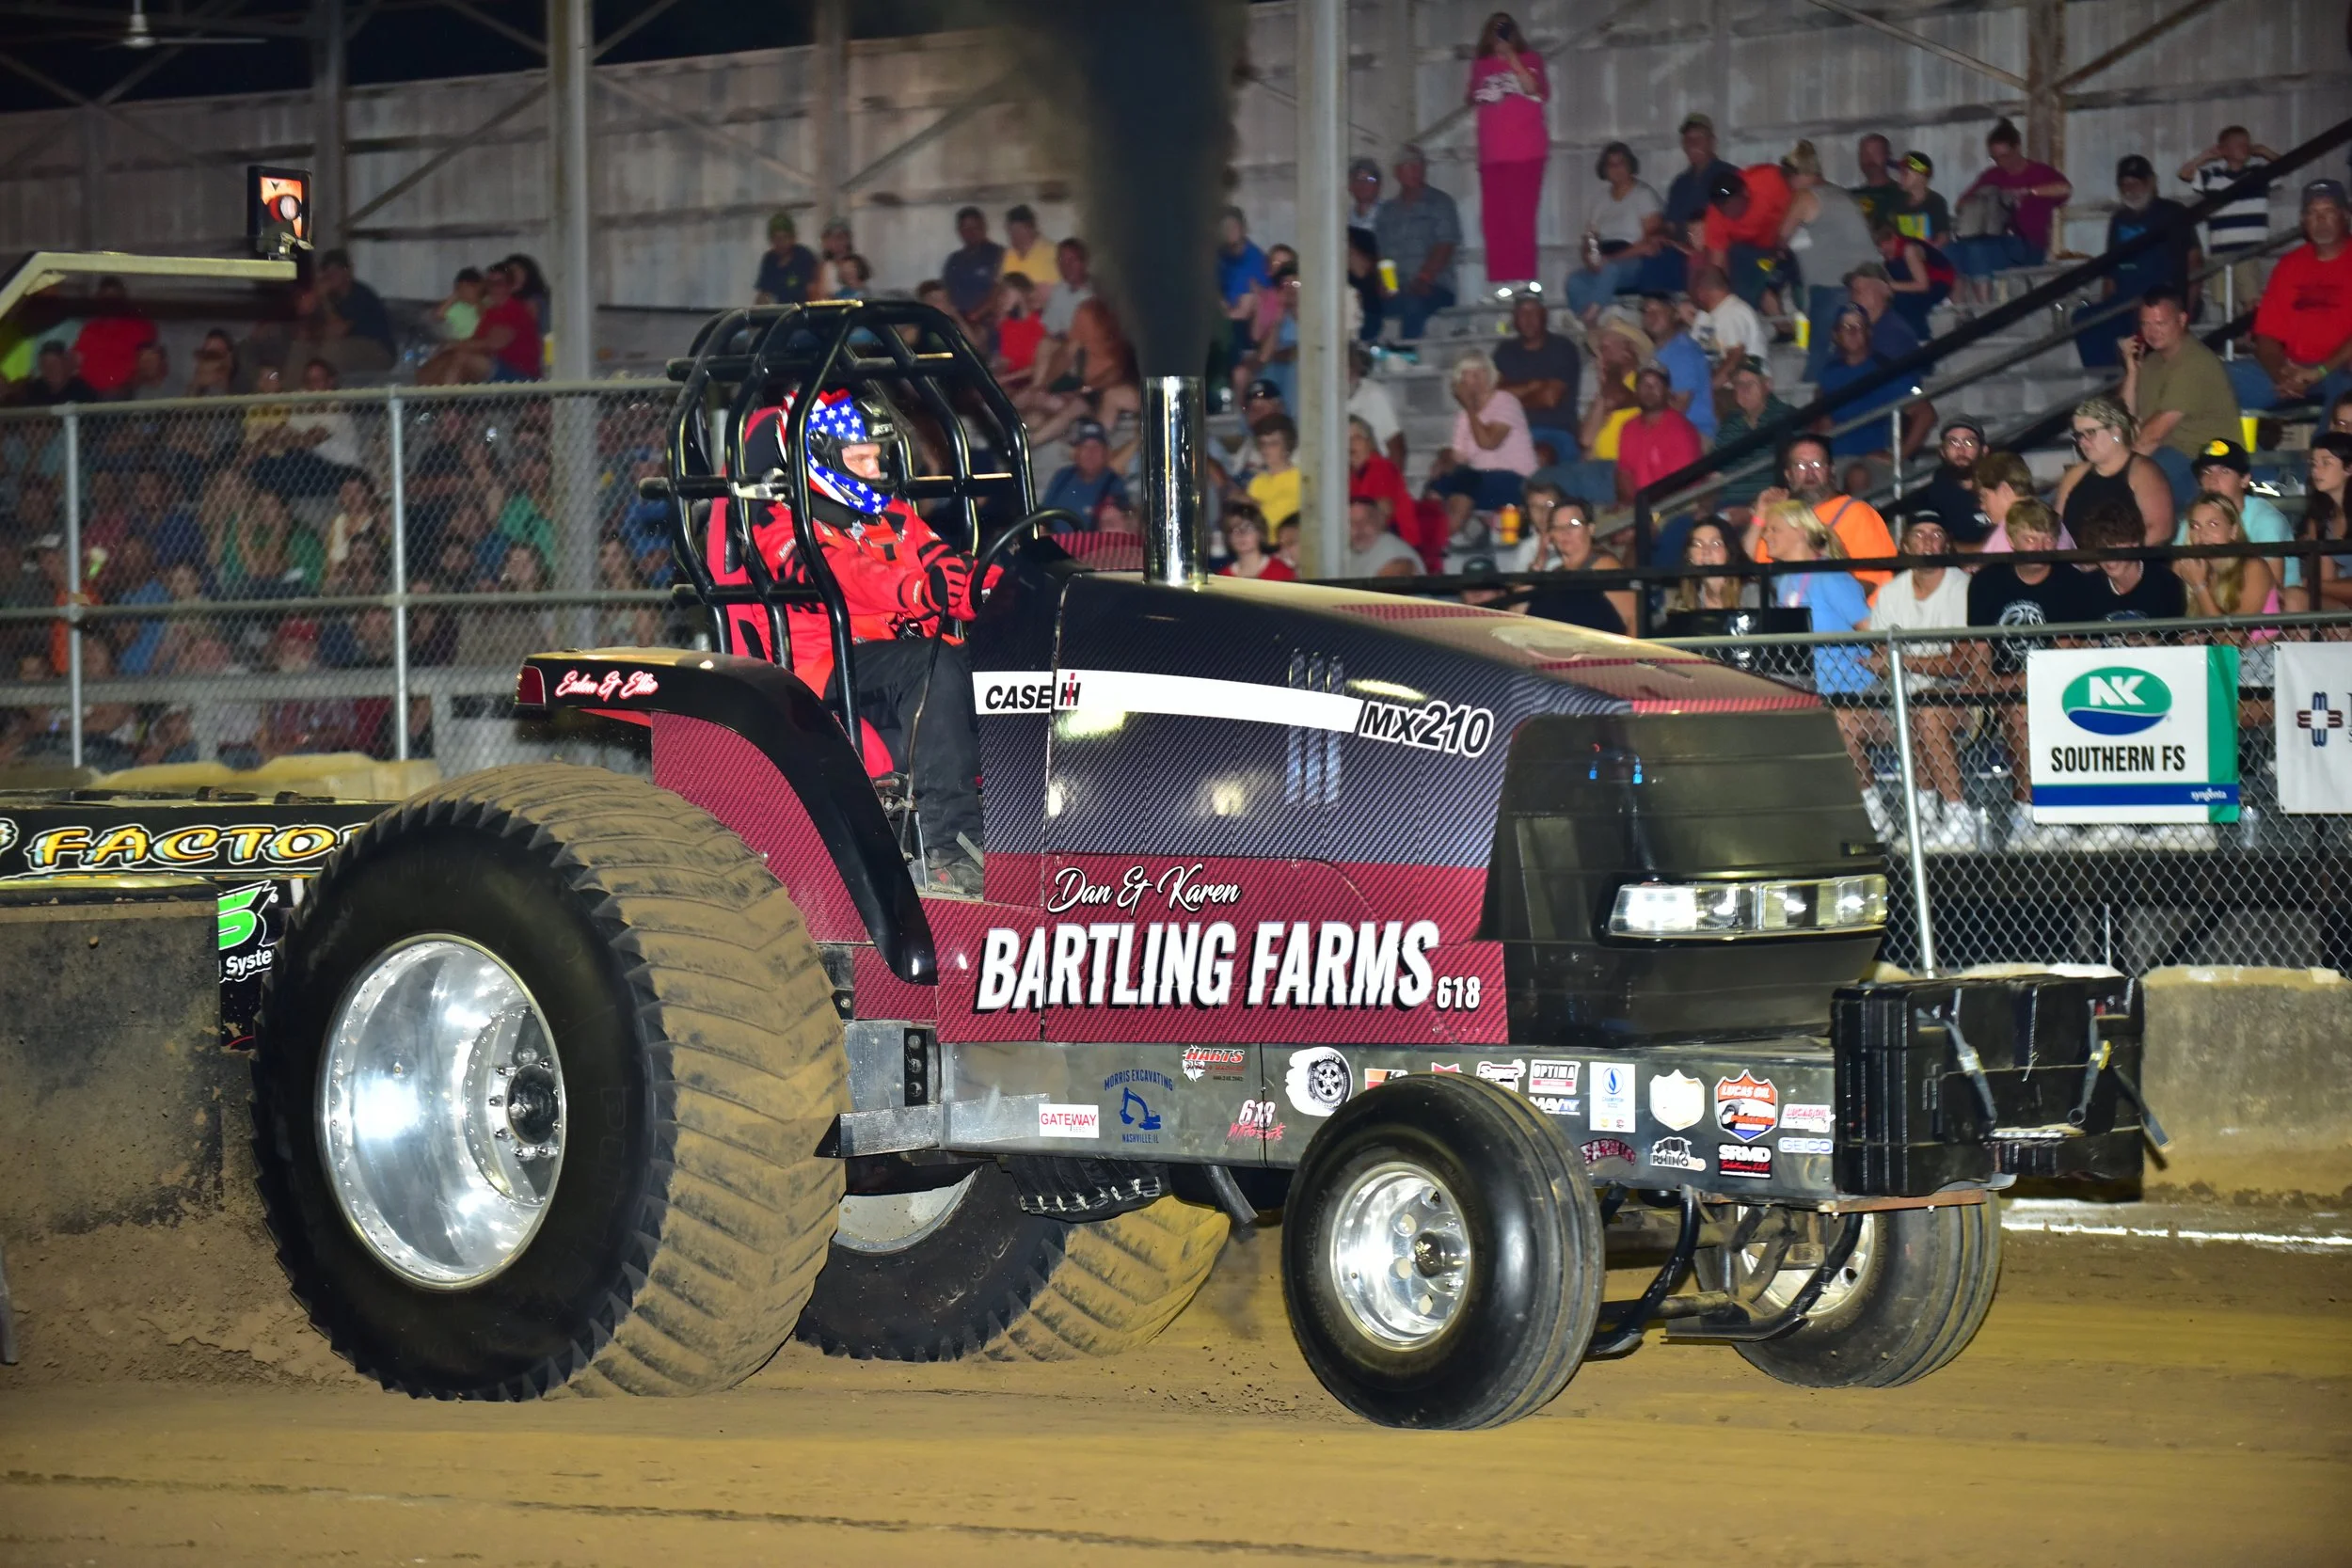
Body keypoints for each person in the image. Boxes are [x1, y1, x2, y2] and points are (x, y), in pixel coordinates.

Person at [732, 391, 986, 895]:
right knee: (932, 666)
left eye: (877, 456)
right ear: (820, 461)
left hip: (892, 659)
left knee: (1005, 658)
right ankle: (948, 852)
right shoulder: (784, 525)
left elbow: (946, 564)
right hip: (820, 670)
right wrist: (916, 590)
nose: (874, 469)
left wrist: (994, 587)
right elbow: (842, 572)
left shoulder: (894, 517)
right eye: (860, 459)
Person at [1844, 513, 1976, 848]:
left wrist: (1902, 660)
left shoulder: (1964, 587)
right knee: (1842, 719)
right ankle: (1880, 819)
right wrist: (1893, 663)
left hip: (1961, 695)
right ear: (1906, 543)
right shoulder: (1891, 592)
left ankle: (1960, 820)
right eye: (1920, 535)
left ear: (1946, 543)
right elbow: (1878, 652)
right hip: (1901, 691)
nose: (1928, 542)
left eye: (1936, 535)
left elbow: (1962, 662)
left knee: (1925, 710)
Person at [1965, 498, 2086, 847]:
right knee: (2019, 709)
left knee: (2023, 708)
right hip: (1999, 689)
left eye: (2048, 538)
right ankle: (2028, 811)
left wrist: (2011, 683)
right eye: (2031, 539)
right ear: (2013, 541)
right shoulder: (1987, 581)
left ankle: (2037, 809)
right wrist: (1991, 684)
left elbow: (2065, 657)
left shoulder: (2070, 581)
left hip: (2060, 687)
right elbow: (1979, 653)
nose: (2041, 546)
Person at [2232, 180, 2352, 414]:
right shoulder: (2289, 265)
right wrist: (2281, 373)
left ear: (2345, 215)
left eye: (2328, 211)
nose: (2320, 220)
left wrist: (2320, 372)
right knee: (2217, 377)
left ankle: (2328, 448)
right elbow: (2266, 335)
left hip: (2338, 369)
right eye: (2312, 213)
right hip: (2293, 368)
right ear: (2303, 221)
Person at [2120, 285, 2240, 503]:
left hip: (2202, 460)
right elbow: (2125, 419)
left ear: (2182, 320)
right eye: (2146, 324)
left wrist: (2114, 467)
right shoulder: (2153, 362)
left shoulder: (2194, 362)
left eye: (2160, 323)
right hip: (2168, 453)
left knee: (2128, 484)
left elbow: (2153, 434)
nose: (2152, 331)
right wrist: (2132, 372)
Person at [2076, 156, 2198, 370]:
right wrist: (2108, 303)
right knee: (2084, 318)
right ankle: (2108, 378)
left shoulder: (2172, 212)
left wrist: (2187, 308)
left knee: (2146, 320)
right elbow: (2111, 271)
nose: (2130, 188)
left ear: (2151, 182)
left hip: (2158, 300)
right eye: (2125, 184)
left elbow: (2194, 260)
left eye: (2136, 182)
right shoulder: (2118, 220)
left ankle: (2129, 377)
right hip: (2124, 300)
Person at [1751, 433, 1899, 593]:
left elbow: (1869, 582)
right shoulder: (1781, 516)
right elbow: (1751, 569)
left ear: (1831, 470)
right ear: (1788, 475)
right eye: (1800, 466)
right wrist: (1760, 515)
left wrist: (1816, 600)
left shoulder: (1857, 513)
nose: (1810, 473)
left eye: (1817, 464)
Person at [1782, 140, 1881, 380]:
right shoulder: (1840, 194)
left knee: (1819, 358)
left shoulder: (1806, 196)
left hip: (1832, 287)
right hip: (1866, 285)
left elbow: (1781, 236)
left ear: (1797, 174)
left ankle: (1807, 411)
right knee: (1851, 356)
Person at [1466, 11, 1550, 292]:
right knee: (1494, 220)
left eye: (1506, 30)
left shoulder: (1530, 61)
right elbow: (1472, 98)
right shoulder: (1481, 65)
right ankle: (1502, 282)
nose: (1500, 36)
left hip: (1526, 151)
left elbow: (1535, 90)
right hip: (1492, 155)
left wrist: (1511, 59)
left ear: (1515, 34)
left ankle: (1525, 278)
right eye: (1495, 31)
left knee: (1521, 216)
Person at [1758, 498, 1873, 697]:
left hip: (1853, 696)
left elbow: (1872, 630)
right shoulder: (1784, 582)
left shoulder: (1831, 577)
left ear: (1801, 531)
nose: (1765, 536)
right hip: (1809, 693)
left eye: (1773, 529)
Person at [1951, 118, 2071, 300]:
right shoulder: (1992, 176)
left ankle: (1984, 311)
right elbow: (1961, 204)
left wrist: (2028, 192)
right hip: (1993, 240)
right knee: (1951, 252)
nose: (2001, 162)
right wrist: (1986, 199)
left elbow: (2065, 189)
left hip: (2028, 246)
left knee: (1977, 250)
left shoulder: (2039, 172)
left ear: (2017, 148)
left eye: (2005, 156)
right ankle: (1958, 313)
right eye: (1995, 158)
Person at [2178, 439, 2300, 607]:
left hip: (2270, 614)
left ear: (2244, 480)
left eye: (2224, 471)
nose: (2212, 480)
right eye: (2206, 472)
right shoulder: (2194, 519)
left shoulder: (2266, 520)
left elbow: (2273, 590)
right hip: (2214, 602)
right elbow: (2177, 575)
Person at [1428, 350, 1537, 536]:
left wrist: (1470, 407)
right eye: (1468, 374)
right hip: (1482, 479)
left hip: (1516, 479)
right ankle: (1434, 540)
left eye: (1481, 372)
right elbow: (1459, 457)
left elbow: (1488, 442)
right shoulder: (1464, 416)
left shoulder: (1505, 401)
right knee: (1437, 487)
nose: (1476, 379)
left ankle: (1440, 540)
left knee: (1467, 483)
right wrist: (1444, 460)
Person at [2178, 125, 2280, 322]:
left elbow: (2287, 165)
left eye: (2246, 143)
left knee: (2252, 301)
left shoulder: (2258, 174)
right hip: (2221, 252)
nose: (2244, 147)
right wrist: (2206, 156)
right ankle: (2232, 343)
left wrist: (2264, 151)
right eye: (2237, 144)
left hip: (2248, 250)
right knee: (2226, 304)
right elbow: (2184, 173)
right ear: (2224, 150)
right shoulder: (2213, 176)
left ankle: (2249, 340)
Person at [1814, 304, 1932, 467]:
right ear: (1836, 335)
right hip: (1834, 461)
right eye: (1846, 327)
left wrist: (1898, 457)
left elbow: (1926, 414)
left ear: (1868, 332)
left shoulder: (1887, 371)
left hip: (1871, 462)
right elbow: (1820, 422)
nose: (1852, 332)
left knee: (1857, 477)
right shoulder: (1828, 373)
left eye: (1858, 326)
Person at [2056, 393, 2174, 546]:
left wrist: (2114, 558)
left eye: (2091, 433)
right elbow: (2058, 530)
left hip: (2128, 563)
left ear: (2116, 431)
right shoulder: (2074, 476)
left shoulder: (2143, 473)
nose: (2083, 442)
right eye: (2079, 435)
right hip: (2078, 564)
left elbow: (2160, 531)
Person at [1566, 141, 1664, 321]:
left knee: (1610, 270)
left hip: (1633, 261)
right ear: (1604, 169)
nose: (1616, 168)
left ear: (1630, 165)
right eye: (1611, 164)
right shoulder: (1600, 200)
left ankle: (1590, 317)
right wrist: (1590, 260)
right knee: (1574, 280)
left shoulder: (1644, 195)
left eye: (1621, 163)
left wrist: (1612, 259)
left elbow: (1652, 244)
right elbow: (1589, 239)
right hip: (1604, 259)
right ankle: (1592, 327)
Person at [1375, 145, 1464, 341]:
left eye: (1419, 165)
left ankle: (1407, 359)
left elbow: (1445, 245)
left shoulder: (1441, 203)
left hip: (1436, 287)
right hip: (1399, 288)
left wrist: (1424, 278)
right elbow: (1384, 253)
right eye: (1409, 166)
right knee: (1365, 307)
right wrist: (1388, 285)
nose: (1416, 171)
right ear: (1397, 172)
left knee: (1412, 305)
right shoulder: (1388, 211)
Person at [1520, 489, 1634, 634]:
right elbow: (1517, 612)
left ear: (1590, 529)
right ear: (1551, 535)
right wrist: (1539, 563)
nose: (1565, 532)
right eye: (1557, 527)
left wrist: (1630, 657)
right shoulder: (1554, 574)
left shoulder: (1603, 567)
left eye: (1573, 524)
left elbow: (1633, 618)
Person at [1650, 112, 1740, 295]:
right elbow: (1670, 225)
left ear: (1712, 142)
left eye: (1699, 138)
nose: (1693, 145)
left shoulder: (1727, 176)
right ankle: (1663, 312)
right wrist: (1659, 236)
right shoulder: (1680, 184)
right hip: (1684, 249)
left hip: (1718, 248)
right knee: (1655, 259)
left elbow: (1737, 212)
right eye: (1688, 139)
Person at [1492, 297, 1581, 460]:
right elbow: (1495, 395)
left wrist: (1513, 395)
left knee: (1539, 455)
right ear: (1515, 319)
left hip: (1555, 431)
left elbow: (1549, 399)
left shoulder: (1562, 348)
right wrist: (1532, 387)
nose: (1528, 319)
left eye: (1534, 312)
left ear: (1544, 315)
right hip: (1510, 431)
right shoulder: (1504, 351)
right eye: (1522, 313)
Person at [1710, 356, 1795, 525]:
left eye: (1751, 383)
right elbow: (1714, 477)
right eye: (1738, 384)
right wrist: (1705, 506)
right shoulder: (1730, 425)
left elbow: (1794, 479)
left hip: (1770, 508)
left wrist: (1751, 511)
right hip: (1727, 506)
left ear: (1767, 385)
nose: (1744, 390)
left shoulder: (1788, 418)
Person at [2177, 489, 2278, 624]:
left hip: (2258, 645)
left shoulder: (2254, 568)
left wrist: (2199, 586)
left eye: (2213, 524)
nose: (2202, 533)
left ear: (2233, 531)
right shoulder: (2191, 570)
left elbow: (2231, 639)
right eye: (2195, 526)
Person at [2074, 501, 2186, 621]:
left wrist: (2152, 640)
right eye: (2101, 547)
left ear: (2135, 542)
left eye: (2116, 546)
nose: (2109, 557)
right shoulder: (2087, 587)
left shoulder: (2165, 583)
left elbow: (2175, 636)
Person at [1704, 163, 1793, 310]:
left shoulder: (1769, 181)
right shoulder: (1715, 217)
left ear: (1745, 192)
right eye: (1722, 206)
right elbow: (1716, 265)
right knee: (1738, 259)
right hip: (1754, 256)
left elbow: (1801, 200)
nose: (1728, 210)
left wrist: (1782, 243)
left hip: (1788, 239)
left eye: (1731, 203)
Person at [1346, 416, 1430, 569]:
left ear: (1370, 443)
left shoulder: (1380, 468)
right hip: (1366, 542)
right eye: (1346, 439)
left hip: (1395, 546)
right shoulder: (1349, 476)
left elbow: (1382, 515)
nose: (1351, 444)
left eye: (1357, 437)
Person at [1893, 418, 1992, 546]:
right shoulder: (1930, 496)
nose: (1961, 451)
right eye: (1953, 443)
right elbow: (1928, 545)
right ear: (1942, 452)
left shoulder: (1999, 489)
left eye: (1968, 443)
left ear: (1984, 451)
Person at [1614, 365, 1704, 507]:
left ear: (1668, 392)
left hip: (1675, 508)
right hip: (1638, 507)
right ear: (1636, 391)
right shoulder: (1629, 427)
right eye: (1644, 384)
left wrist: (1647, 515)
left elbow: (1681, 488)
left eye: (1656, 384)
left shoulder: (1680, 430)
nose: (1649, 389)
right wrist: (1634, 508)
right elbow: (1624, 474)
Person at [1640, 293, 1716, 440]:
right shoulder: (1658, 351)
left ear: (1674, 315)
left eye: (1658, 311)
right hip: (1673, 431)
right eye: (1647, 311)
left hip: (1693, 432)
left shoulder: (1683, 351)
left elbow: (1679, 407)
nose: (1651, 316)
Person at [309, 249, 396, 373]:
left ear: (348, 271)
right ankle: (291, 391)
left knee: (331, 351)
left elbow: (338, 331)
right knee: (302, 347)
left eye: (336, 269)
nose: (331, 275)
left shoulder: (360, 295)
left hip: (379, 349)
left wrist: (323, 299)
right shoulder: (333, 297)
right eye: (327, 270)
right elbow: (315, 332)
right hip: (349, 346)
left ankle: (328, 390)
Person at [1684, 264, 1768, 392]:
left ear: (1701, 292)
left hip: (1742, 390)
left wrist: (1707, 391)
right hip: (1719, 389)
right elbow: (1708, 354)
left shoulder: (1733, 312)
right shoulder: (1706, 316)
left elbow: (1735, 357)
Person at [72, 277, 156, 397]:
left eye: (114, 297)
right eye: (105, 297)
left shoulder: (140, 327)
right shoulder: (90, 328)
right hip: (90, 396)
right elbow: (76, 361)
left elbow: (148, 367)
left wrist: (125, 388)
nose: (110, 302)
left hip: (126, 395)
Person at [2299, 432, 2352, 611]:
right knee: (2295, 597)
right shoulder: (2320, 519)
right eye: (2313, 464)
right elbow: (2325, 580)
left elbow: (2320, 584)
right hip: (2342, 604)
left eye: (2326, 463)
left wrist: (2313, 584)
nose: (2316, 470)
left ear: (2349, 468)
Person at [1875, 220, 1954, 341]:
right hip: (1912, 286)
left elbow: (1923, 285)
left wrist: (1890, 286)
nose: (1882, 250)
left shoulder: (1909, 249)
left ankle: (1922, 338)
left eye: (1884, 244)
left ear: (1893, 238)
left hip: (1938, 282)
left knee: (1905, 301)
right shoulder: (1887, 256)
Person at [1038, 420, 1127, 523]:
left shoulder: (1113, 483)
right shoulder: (1063, 476)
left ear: (1106, 453)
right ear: (1076, 453)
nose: (1091, 453)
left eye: (1096, 447)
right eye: (1085, 447)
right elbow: (1043, 518)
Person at [1665, 515, 1760, 613]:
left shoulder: (1751, 593)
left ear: (1729, 551)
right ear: (1689, 555)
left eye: (1715, 544)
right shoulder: (1682, 599)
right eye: (1698, 545)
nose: (1706, 551)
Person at [1216, 207, 1272, 363]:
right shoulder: (1219, 258)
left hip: (1247, 328)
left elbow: (1251, 304)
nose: (1229, 231)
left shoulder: (1257, 259)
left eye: (1233, 227)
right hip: (1224, 322)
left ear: (1243, 228)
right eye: (1224, 228)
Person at [1346, 342, 1406, 471]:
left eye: (1351, 366)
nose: (1347, 372)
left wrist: (1390, 485)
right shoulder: (1322, 400)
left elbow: (1396, 446)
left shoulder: (1375, 394)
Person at [942, 207, 1005, 330]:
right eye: (965, 228)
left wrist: (974, 316)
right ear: (959, 231)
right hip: (957, 320)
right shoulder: (954, 259)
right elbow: (946, 292)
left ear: (984, 228)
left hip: (986, 322)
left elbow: (999, 291)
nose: (970, 233)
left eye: (975, 228)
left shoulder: (998, 254)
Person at [1346, 157, 1388, 341]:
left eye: (1369, 180)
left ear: (1379, 185)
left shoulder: (1390, 213)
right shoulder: (1343, 218)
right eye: (1357, 179)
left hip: (1381, 277)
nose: (1363, 185)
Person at [1339, 495, 1422, 578]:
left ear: (1380, 521)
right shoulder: (1348, 551)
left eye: (1366, 520)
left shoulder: (1396, 555)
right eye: (1352, 523)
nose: (1359, 528)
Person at [1246, 414, 1302, 530]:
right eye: (1262, 443)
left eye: (1273, 443)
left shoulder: (1300, 477)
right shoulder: (1257, 482)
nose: (1266, 449)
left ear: (1287, 446)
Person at [752, 212, 819, 307]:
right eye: (777, 239)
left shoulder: (804, 256)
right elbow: (764, 293)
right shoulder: (769, 260)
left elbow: (814, 290)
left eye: (785, 238)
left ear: (793, 238)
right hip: (780, 312)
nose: (781, 243)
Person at [1218, 501, 1295, 581]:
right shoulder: (1223, 577)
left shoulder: (1282, 571)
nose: (1241, 535)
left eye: (1247, 528)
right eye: (1233, 530)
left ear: (1260, 532)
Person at [1892, 150, 1951, 249]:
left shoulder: (1936, 202)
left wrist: (1931, 250)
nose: (1900, 177)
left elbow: (1943, 237)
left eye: (1905, 173)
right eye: (1900, 173)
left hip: (1929, 255)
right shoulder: (1899, 202)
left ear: (1921, 176)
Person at [1851, 134, 1905, 232]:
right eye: (1864, 154)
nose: (1869, 159)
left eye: (1876, 153)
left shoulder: (1905, 195)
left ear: (1887, 156)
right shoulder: (1850, 198)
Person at [1041, 237, 1093, 337]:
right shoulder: (1059, 290)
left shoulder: (1094, 293)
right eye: (1062, 261)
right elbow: (1049, 330)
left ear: (1084, 262)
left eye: (1072, 260)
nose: (1066, 266)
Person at [21, 341, 96, 406]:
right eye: (45, 365)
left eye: (55, 364)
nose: (50, 369)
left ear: (65, 363)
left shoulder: (81, 390)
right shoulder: (35, 390)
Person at [1001, 205, 1055, 290]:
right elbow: (1004, 288)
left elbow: (1050, 292)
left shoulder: (1053, 252)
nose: (1013, 236)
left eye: (1017, 230)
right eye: (1010, 231)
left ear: (1031, 227)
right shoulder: (1009, 254)